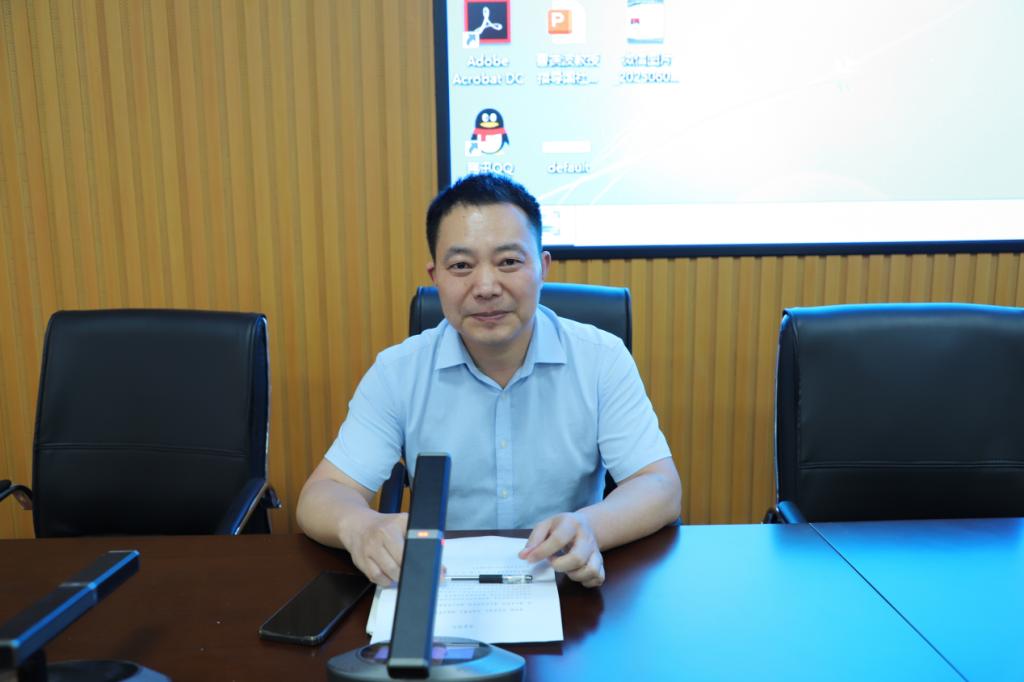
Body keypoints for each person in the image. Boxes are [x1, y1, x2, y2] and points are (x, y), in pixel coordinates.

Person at [296, 174, 681, 589]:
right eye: (461, 266)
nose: (485, 287)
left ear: (542, 268)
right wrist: (362, 527)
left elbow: (659, 485)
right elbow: (323, 493)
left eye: (508, 262)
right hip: (443, 586)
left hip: (566, 584)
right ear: (436, 276)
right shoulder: (398, 372)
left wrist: (590, 526)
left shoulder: (601, 359)